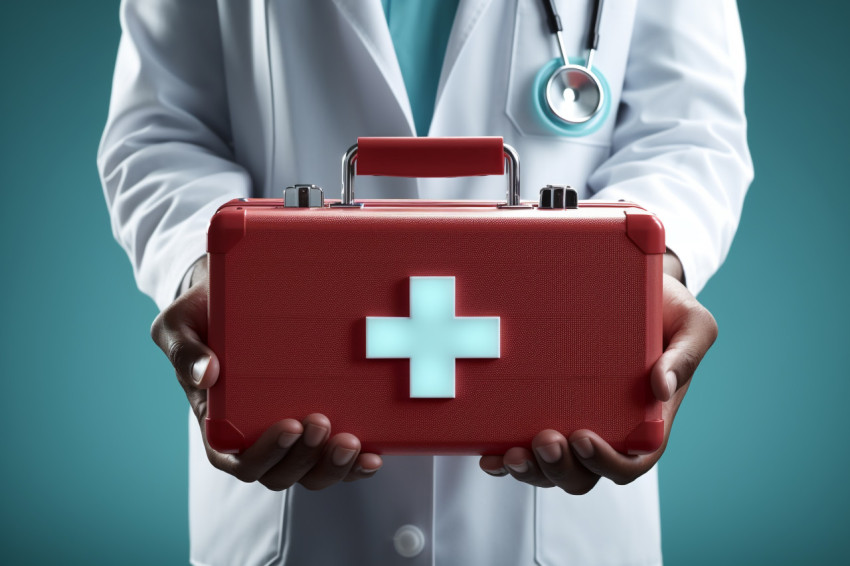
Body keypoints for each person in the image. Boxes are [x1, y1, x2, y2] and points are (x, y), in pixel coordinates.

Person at [99, 0, 752, 564]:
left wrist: (639, 283)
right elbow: (161, 128)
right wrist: (209, 269)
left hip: (558, 496)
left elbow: (688, 133)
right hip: (291, 486)